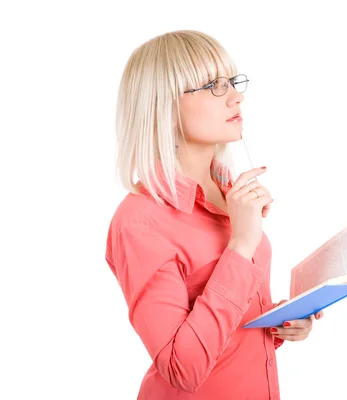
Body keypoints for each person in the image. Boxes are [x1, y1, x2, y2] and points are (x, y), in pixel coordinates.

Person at [104, 29, 323, 400]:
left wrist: (277, 320)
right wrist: (240, 244)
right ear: (164, 106)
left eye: (232, 82)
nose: (236, 96)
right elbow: (181, 368)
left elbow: (222, 325)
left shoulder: (227, 195)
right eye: (213, 85)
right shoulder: (140, 221)